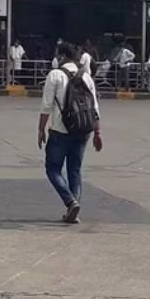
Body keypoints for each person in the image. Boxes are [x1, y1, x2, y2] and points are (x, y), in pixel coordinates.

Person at [38, 41, 103, 224]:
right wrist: (98, 133)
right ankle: (73, 209)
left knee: (52, 169)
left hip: (60, 130)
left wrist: (40, 129)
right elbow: (95, 108)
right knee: (74, 170)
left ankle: (70, 201)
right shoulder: (87, 77)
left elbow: (46, 106)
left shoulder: (55, 75)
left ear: (61, 56)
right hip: (83, 130)